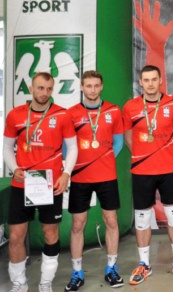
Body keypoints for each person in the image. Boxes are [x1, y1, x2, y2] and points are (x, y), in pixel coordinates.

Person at [4, 72, 77, 292]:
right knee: (16, 236)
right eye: (40, 88)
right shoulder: (15, 115)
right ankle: (19, 284)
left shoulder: (62, 115)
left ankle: (46, 283)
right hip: (22, 182)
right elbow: (7, 147)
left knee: (50, 233)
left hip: (50, 184)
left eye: (48, 89)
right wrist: (14, 168)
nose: (44, 93)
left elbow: (73, 147)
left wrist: (66, 174)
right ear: (31, 88)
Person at [123, 65, 173, 284]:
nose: (150, 84)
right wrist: (144, 156)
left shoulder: (172, 104)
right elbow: (128, 137)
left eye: (154, 79)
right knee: (142, 218)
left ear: (160, 81)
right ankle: (144, 264)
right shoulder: (131, 106)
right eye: (146, 80)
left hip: (168, 169)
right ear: (140, 82)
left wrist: (162, 154)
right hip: (142, 170)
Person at [65, 71, 125, 290]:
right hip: (80, 176)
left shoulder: (113, 111)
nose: (92, 90)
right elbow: (66, 147)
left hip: (106, 175)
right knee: (78, 224)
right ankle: (77, 272)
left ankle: (112, 268)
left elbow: (118, 142)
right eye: (88, 86)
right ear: (82, 87)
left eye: (96, 85)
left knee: (111, 220)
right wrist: (75, 165)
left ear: (102, 87)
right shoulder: (71, 113)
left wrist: (103, 160)